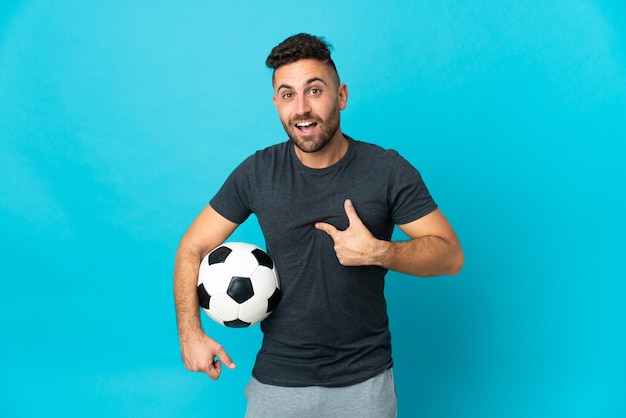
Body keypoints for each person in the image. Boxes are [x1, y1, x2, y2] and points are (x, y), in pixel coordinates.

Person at [174, 33, 464, 417]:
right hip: (278, 382)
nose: (302, 108)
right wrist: (190, 336)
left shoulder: (387, 171)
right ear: (276, 103)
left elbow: (451, 256)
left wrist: (380, 251)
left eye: (315, 90)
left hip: (365, 384)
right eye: (288, 94)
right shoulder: (257, 173)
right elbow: (191, 247)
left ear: (341, 96)